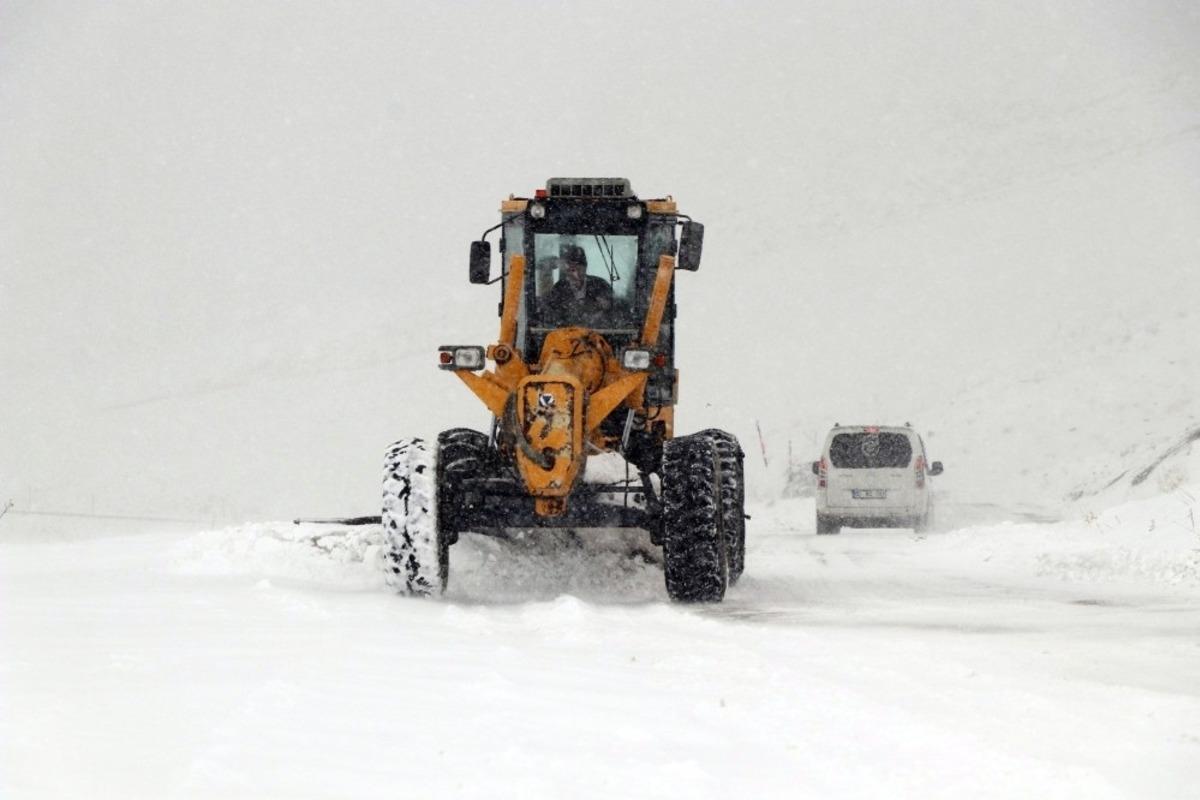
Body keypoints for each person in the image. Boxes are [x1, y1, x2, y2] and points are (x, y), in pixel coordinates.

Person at [540, 244, 613, 326]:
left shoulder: (601, 285)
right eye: (572, 270)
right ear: (566, 271)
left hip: (598, 335)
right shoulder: (558, 289)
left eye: (580, 269)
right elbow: (552, 318)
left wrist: (604, 308)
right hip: (566, 336)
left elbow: (612, 315)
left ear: (586, 267)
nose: (576, 275)